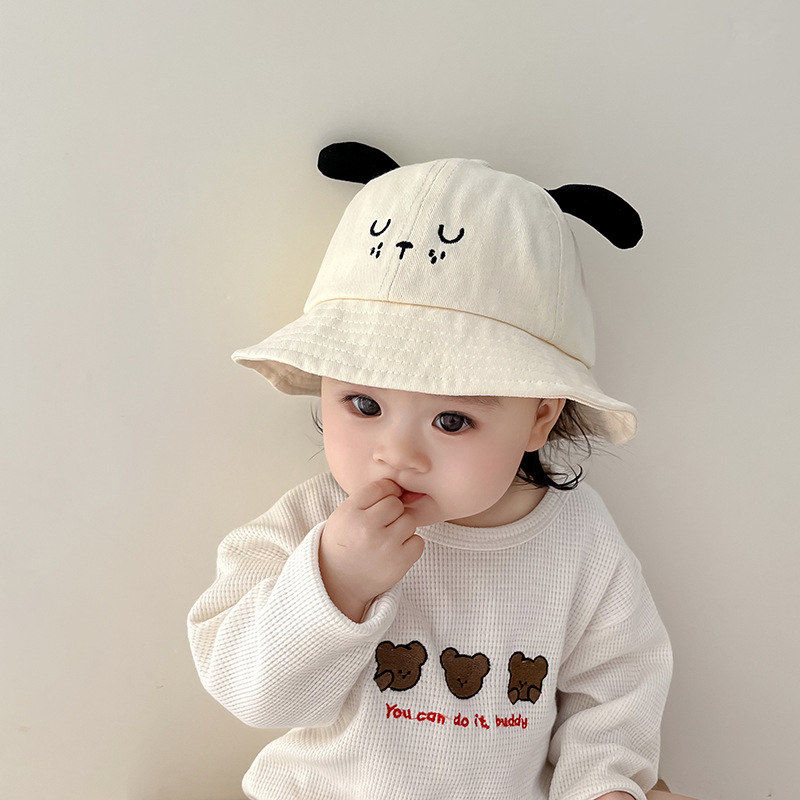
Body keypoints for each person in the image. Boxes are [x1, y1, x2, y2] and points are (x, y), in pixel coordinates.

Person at [188, 142, 678, 800]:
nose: (396, 454)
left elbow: (615, 689)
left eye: (451, 421)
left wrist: (605, 784)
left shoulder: (580, 542)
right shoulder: (311, 522)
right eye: (364, 405)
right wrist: (335, 583)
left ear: (540, 416)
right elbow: (253, 695)